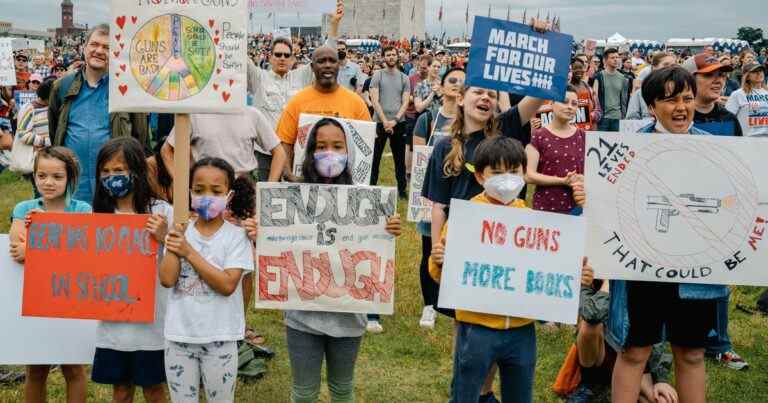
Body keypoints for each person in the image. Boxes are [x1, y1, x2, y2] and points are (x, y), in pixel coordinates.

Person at [252, 118, 402, 403]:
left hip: (349, 317)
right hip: (302, 318)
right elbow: (274, 247)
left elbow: (378, 247)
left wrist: (388, 228)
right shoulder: (292, 198)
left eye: (337, 146)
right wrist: (261, 233)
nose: (329, 153)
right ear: (310, 152)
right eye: (321, 146)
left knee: (342, 389)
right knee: (304, 393)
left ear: (350, 151)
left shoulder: (367, 203)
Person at [609, 66, 727, 403]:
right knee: (634, 351)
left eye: (687, 98)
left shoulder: (719, 150)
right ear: (650, 106)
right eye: (670, 99)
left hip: (695, 271)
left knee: (691, 353)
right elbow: (611, 207)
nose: (681, 107)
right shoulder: (627, 151)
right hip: (643, 268)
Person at [429, 136, 536, 403]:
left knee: (520, 393)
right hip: (477, 327)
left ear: (524, 173)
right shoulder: (466, 217)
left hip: (522, 329)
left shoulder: (532, 220)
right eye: (497, 173)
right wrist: (440, 260)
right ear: (479, 176)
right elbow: (440, 272)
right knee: (466, 392)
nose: (507, 179)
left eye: (514, 172)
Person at [159, 158, 255, 403]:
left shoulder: (236, 237)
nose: (206, 197)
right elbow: (167, 279)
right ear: (189, 191)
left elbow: (227, 285)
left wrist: (188, 252)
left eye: (216, 191)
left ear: (229, 195)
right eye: (199, 190)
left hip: (220, 339)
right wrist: (174, 242)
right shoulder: (180, 231)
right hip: (179, 338)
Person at [89, 138, 171, 403]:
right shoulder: (97, 216)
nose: (112, 177)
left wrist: (164, 237)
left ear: (136, 171)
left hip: (152, 323)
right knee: (121, 389)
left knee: (154, 388)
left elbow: (176, 261)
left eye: (119, 171)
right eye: (106, 172)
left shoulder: (161, 213)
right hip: (113, 323)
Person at [9, 147, 90, 403]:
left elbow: (81, 250)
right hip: (35, 299)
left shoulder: (82, 210)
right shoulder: (24, 208)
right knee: (35, 369)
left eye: (57, 176)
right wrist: (46, 246)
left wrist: (44, 230)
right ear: (34, 176)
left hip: (70, 301)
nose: (48, 182)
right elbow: (17, 245)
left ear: (70, 179)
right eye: (42, 175)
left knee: (73, 368)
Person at [48, 24, 149, 204]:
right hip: (74, 183)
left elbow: (140, 137)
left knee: (110, 230)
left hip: (115, 183)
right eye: (94, 44)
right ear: (84, 47)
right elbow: (55, 130)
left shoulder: (127, 89)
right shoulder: (62, 87)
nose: (99, 51)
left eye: (107, 47)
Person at [247, 1, 343, 180]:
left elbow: (327, 52)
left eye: (286, 55)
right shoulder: (258, 77)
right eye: (278, 54)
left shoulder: (301, 76)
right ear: (270, 57)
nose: (282, 58)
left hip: (295, 151)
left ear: (292, 59)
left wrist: (334, 24)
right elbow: (240, 57)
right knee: (265, 199)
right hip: (266, 153)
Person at [559, 265, 679, 403]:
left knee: (663, 400)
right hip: (602, 354)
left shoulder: (642, 278)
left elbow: (655, 335)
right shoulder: (590, 272)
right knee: (588, 327)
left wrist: (660, 379)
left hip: (635, 356)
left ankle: (631, 388)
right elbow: (592, 314)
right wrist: (609, 282)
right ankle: (590, 384)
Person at [412, 67, 465, 329]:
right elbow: (419, 157)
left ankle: (456, 302)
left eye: (462, 82)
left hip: (461, 195)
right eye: (452, 81)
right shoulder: (428, 119)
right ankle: (429, 304)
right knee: (429, 250)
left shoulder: (472, 121)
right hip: (433, 193)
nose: (457, 85)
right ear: (441, 87)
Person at [275, 46, 371, 181]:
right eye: (321, 61)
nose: (327, 65)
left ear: (339, 66)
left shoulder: (356, 103)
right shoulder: (297, 102)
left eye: (332, 61)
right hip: (307, 184)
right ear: (312, 67)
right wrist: (289, 175)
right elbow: (285, 144)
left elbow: (366, 146)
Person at [525, 85, 585, 216]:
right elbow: (529, 175)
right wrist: (563, 181)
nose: (569, 107)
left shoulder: (583, 136)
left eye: (574, 104)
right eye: (564, 101)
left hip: (577, 208)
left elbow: (591, 174)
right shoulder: (538, 136)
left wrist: (582, 179)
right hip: (544, 208)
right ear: (551, 103)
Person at [369, 45, 411, 199]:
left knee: (400, 160)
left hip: (398, 123)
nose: (391, 57)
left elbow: (405, 102)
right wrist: (385, 121)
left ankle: (402, 190)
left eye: (393, 54)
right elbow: (374, 99)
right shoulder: (377, 75)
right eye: (388, 55)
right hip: (380, 122)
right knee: (375, 158)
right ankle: (371, 187)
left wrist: (395, 120)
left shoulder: (404, 78)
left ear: (397, 56)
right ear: (384, 57)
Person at [682, 53, 744, 138]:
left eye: (721, 75)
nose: (719, 81)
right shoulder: (678, 118)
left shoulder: (729, 119)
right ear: (689, 80)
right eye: (708, 75)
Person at [627, 52, 677, 120]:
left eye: (673, 65)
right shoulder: (640, 94)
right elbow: (631, 120)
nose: (670, 68)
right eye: (666, 64)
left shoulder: (680, 92)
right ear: (654, 67)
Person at [726, 62, 768, 137]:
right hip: (746, 139)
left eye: (761, 71)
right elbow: (727, 119)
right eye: (754, 71)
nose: (759, 73)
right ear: (747, 76)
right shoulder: (738, 94)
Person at [593, 48, 630, 131]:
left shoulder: (623, 78)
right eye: (612, 58)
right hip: (602, 118)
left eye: (617, 57)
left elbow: (625, 99)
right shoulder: (599, 76)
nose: (616, 60)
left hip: (617, 118)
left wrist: (624, 116)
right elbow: (594, 96)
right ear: (605, 60)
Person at [568, 57, 602, 130]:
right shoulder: (563, 89)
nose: (579, 70)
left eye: (581, 68)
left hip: (588, 132)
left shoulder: (589, 89)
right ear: (571, 70)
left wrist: (589, 116)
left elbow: (598, 111)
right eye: (575, 68)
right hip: (568, 131)